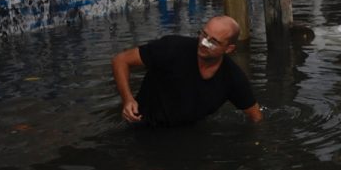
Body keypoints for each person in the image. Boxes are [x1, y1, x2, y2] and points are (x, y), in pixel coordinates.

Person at [111, 15, 264, 127]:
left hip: (189, 133)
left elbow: (256, 117)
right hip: (144, 124)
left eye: (213, 42)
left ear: (229, 49)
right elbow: (121, 60)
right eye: (203, 34)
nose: (204, 43)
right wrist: (127, 99)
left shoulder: (233, 78)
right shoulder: (171, 48)